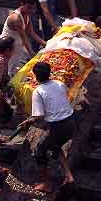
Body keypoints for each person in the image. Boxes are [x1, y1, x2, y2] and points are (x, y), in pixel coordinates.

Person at [20, 62, 75, 193]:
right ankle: (69, 175)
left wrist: (28, 121)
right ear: (50, 73)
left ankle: (45, 183)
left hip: (58, 127)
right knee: (55, 147)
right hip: (71, 123)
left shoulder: (38, 92)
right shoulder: (59, 83)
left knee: (39, 151)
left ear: (35, 76)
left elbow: (38, 115)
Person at [0, 0, 46, 76]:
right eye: (29, 8)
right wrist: (31, 53)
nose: (31, 11)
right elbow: (25, 38)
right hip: (7, 47)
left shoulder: (27, 14)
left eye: (33, 8)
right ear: (22, 4)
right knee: (5, 70)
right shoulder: (16, 18)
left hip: (17, 45)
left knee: (13, 67)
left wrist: (44, 43)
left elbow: (31, 32)